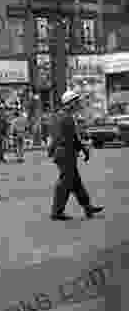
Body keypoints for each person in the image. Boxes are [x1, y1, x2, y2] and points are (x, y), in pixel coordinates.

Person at [47, 91, 104, 221]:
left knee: (75, 183)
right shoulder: (66, 117)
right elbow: (71, 138)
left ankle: (87, 206)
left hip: (64, 153)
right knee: (65, 183)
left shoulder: (60, 116)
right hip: (65, 153)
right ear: (70, 103)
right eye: (76, 101)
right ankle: (56, 212)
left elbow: (57, 137)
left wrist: (52, 151)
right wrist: (83, 149)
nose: (78, 104)